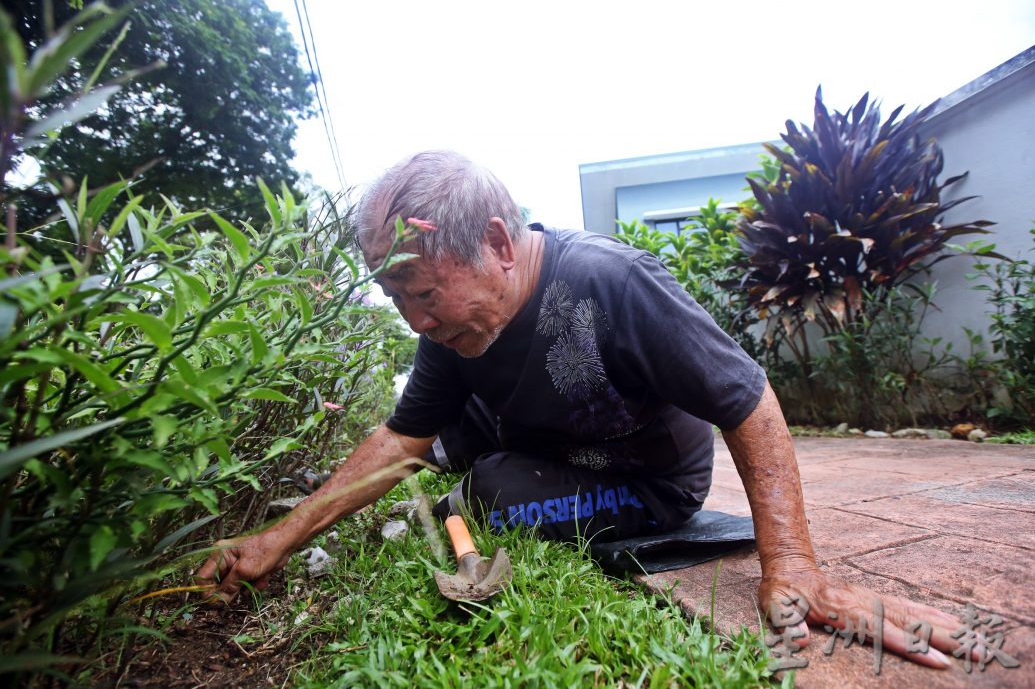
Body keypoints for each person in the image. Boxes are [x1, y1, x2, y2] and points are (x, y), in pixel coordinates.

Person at [198, 150, 963, 669]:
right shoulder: (449, 329)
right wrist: (276, 540)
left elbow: (748, 401)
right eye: (399, 300)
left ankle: (468, 499)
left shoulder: (610, 282)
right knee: (449, 436)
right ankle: (464, 492)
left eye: (425, 294)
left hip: (644, 482)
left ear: (497, 243)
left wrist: (792, 564)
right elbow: (403, 435)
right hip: (543, 441)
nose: (417, 322)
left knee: (490, 490)